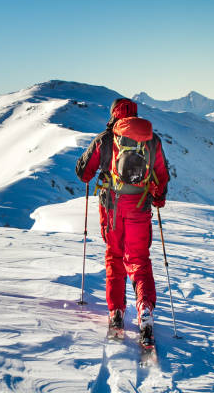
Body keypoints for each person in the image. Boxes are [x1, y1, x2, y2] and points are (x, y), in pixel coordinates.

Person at [75, 98, 170, 345]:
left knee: (115, 258)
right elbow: (161, 175)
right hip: (140, 208)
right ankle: (145, 309)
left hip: (112, 209)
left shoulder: (106, 139)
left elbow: (83, 172)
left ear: (114, 115)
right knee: (139, 260)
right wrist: (158, 199)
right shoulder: (152, 139)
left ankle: (116, 313)